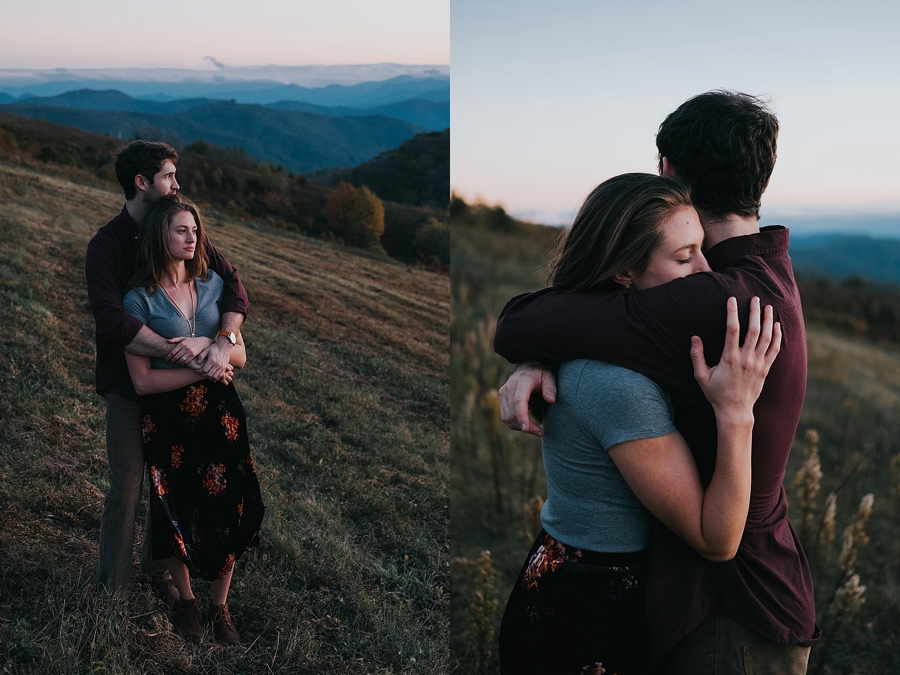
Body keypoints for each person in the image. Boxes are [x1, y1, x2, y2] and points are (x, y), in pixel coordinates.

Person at [494, 91, 820, 673]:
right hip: (745, 590)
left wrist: (541, 349)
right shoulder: (764, 271)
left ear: (668, 169)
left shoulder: (713, 299)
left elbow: (521, 319)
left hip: (729, 606)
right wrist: (544, 359)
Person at [85, 141, 249, 599]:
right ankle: (112, 592)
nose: (177, 185)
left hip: (182, 392)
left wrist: (219, 341)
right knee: (127, 491)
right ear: (142, 183)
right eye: (169, 177)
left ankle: (159, 569)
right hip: (130, 388)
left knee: (171, 487)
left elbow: (234, 288)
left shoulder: (180, 227)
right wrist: (183, 353)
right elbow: (112, 321)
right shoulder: (107, 245)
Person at [123, 194, 263, 645]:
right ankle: (187, 602)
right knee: (176, 508)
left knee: (229, 504)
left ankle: (220, 607)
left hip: (221, 416)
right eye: (181, 229)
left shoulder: (213, 288)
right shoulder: (138, 300)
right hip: (168, 420)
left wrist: (207, 345)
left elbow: (239, 354)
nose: (192, 237)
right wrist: (197, 365)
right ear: (160, 235)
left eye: (195, 230)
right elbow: (142, 382)